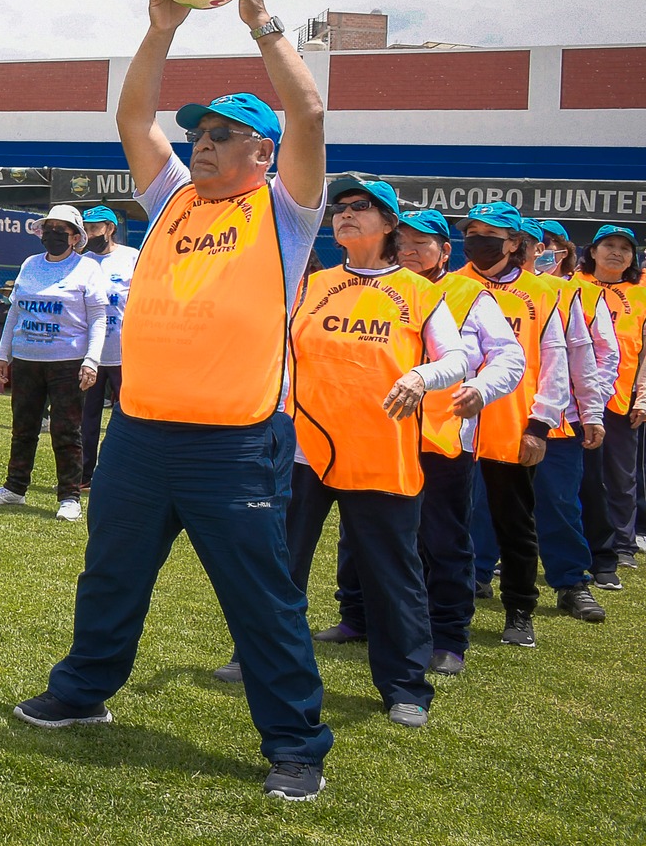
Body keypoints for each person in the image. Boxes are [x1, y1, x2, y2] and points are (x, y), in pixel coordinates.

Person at [17, 0, 334, 805]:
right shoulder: (173, 202)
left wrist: (262, 22)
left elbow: (306, 111)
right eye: (199, 131)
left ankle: (296, 744)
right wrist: (160, 29)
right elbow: (134, 115)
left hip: (235, 444)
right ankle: (83, 693)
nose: (202, 141)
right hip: (143, 433)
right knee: (112, 572)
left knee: (259, 598)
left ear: (260, 152)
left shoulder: (286, 212)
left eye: (222, 133)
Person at [233, 177, 470, 728]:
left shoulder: (420, 291)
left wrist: (421, 375)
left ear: (390, 224)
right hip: (304, 450)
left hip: (382, 452)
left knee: (392, 573)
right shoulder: (313, 286)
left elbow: (456, 359)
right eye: (339, 208)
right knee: (278, 564)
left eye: (360, 207)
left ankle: (405, 686)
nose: (344, 214)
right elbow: (280, 353)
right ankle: (257, 659)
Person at [321, 206, 525, 677]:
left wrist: (480, 388)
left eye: (423, 243)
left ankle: (449, 636)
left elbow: (508, 357)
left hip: (441, 440)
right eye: (403, 243)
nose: (410, 251)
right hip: (374, 438)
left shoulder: (469, 295)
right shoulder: (368, 287)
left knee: (443, 540)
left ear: (445, 251)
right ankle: (357, 616)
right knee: (361, 536)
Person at [457, 203, 578, 644]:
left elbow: (554, 363)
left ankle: (519, 609)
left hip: (512, 428)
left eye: (491, 233)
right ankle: (450, 604)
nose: (478, 240)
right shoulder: (450, 286)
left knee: (515, 523)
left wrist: (540, 425)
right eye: (472, 231)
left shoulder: (543, 293)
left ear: (514, 243)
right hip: (452, 427)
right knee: (449, 521)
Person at [0, 204, 107, 521]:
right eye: (48, 228)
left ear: (75, 237)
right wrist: (3, 354)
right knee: (23, 428)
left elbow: (97, 319)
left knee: (67, 431)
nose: (52, 234)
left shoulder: (87, 269)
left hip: (68, 362)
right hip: (26, 360)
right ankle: (15, 488)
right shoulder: (29, 265)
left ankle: (69, 496)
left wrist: (91, 360)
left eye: (60, 230)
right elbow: (15, 312)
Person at [533, 211, 616, 612]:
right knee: (479, 507)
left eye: (552, 245)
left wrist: (592, 410)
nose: (543, 251)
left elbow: (597, 358)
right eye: (536, 242)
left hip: (559, 422)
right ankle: (475, 577)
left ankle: (571, 582)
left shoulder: (577, 296)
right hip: (492, 421)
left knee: (560, 504)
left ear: (566, 253)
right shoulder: (481, 290)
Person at [581, 226, 646, 572]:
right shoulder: (570, 285)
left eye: (625, 248)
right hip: (573, 400)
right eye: (608, 245)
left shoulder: (641, 291)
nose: (616, 252)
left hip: (620, 400)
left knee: (621, 477)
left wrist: (643, 396)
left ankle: (623, 544)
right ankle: (565, 537)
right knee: (569, 475)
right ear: (593, 251)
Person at [77, 205, 139, 490]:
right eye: (86, 229)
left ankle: (122, 474)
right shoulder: (81, 262)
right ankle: (84, 475)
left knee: (127, 418)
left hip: (125, 353)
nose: (89, 234)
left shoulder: (131, 258)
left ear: (110, 229)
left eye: (94, 229)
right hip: (90, 355)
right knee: (86, 419)